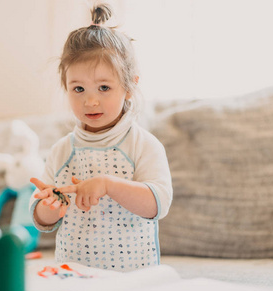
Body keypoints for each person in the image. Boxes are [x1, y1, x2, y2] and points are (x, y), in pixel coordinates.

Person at [29, 3, 172, 272]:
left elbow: (158, 204)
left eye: (104, 87)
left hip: (133, 277)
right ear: (66, 89)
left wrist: (108, 184)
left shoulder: (143, 145)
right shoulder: (62, 151)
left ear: (130, 87)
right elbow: (42, 220)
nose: (91, 100)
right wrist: (49, 206)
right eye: (78, 88)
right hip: (73, 278)